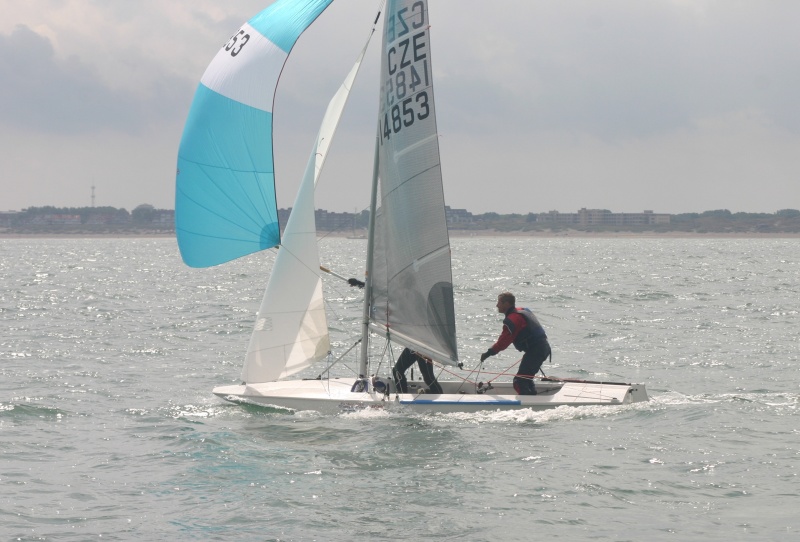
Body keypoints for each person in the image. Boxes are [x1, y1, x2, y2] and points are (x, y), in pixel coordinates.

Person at [480, 292, 551, 395]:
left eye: (499, 303)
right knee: (526, 378)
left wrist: (488, 353)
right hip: (542, 348)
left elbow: (503, 342)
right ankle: (532, 397)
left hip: (536, 351)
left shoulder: (513, 319)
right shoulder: (522, 310)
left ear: (506, 304)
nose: (497, 305)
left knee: (519, 381)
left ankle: (527, 402)